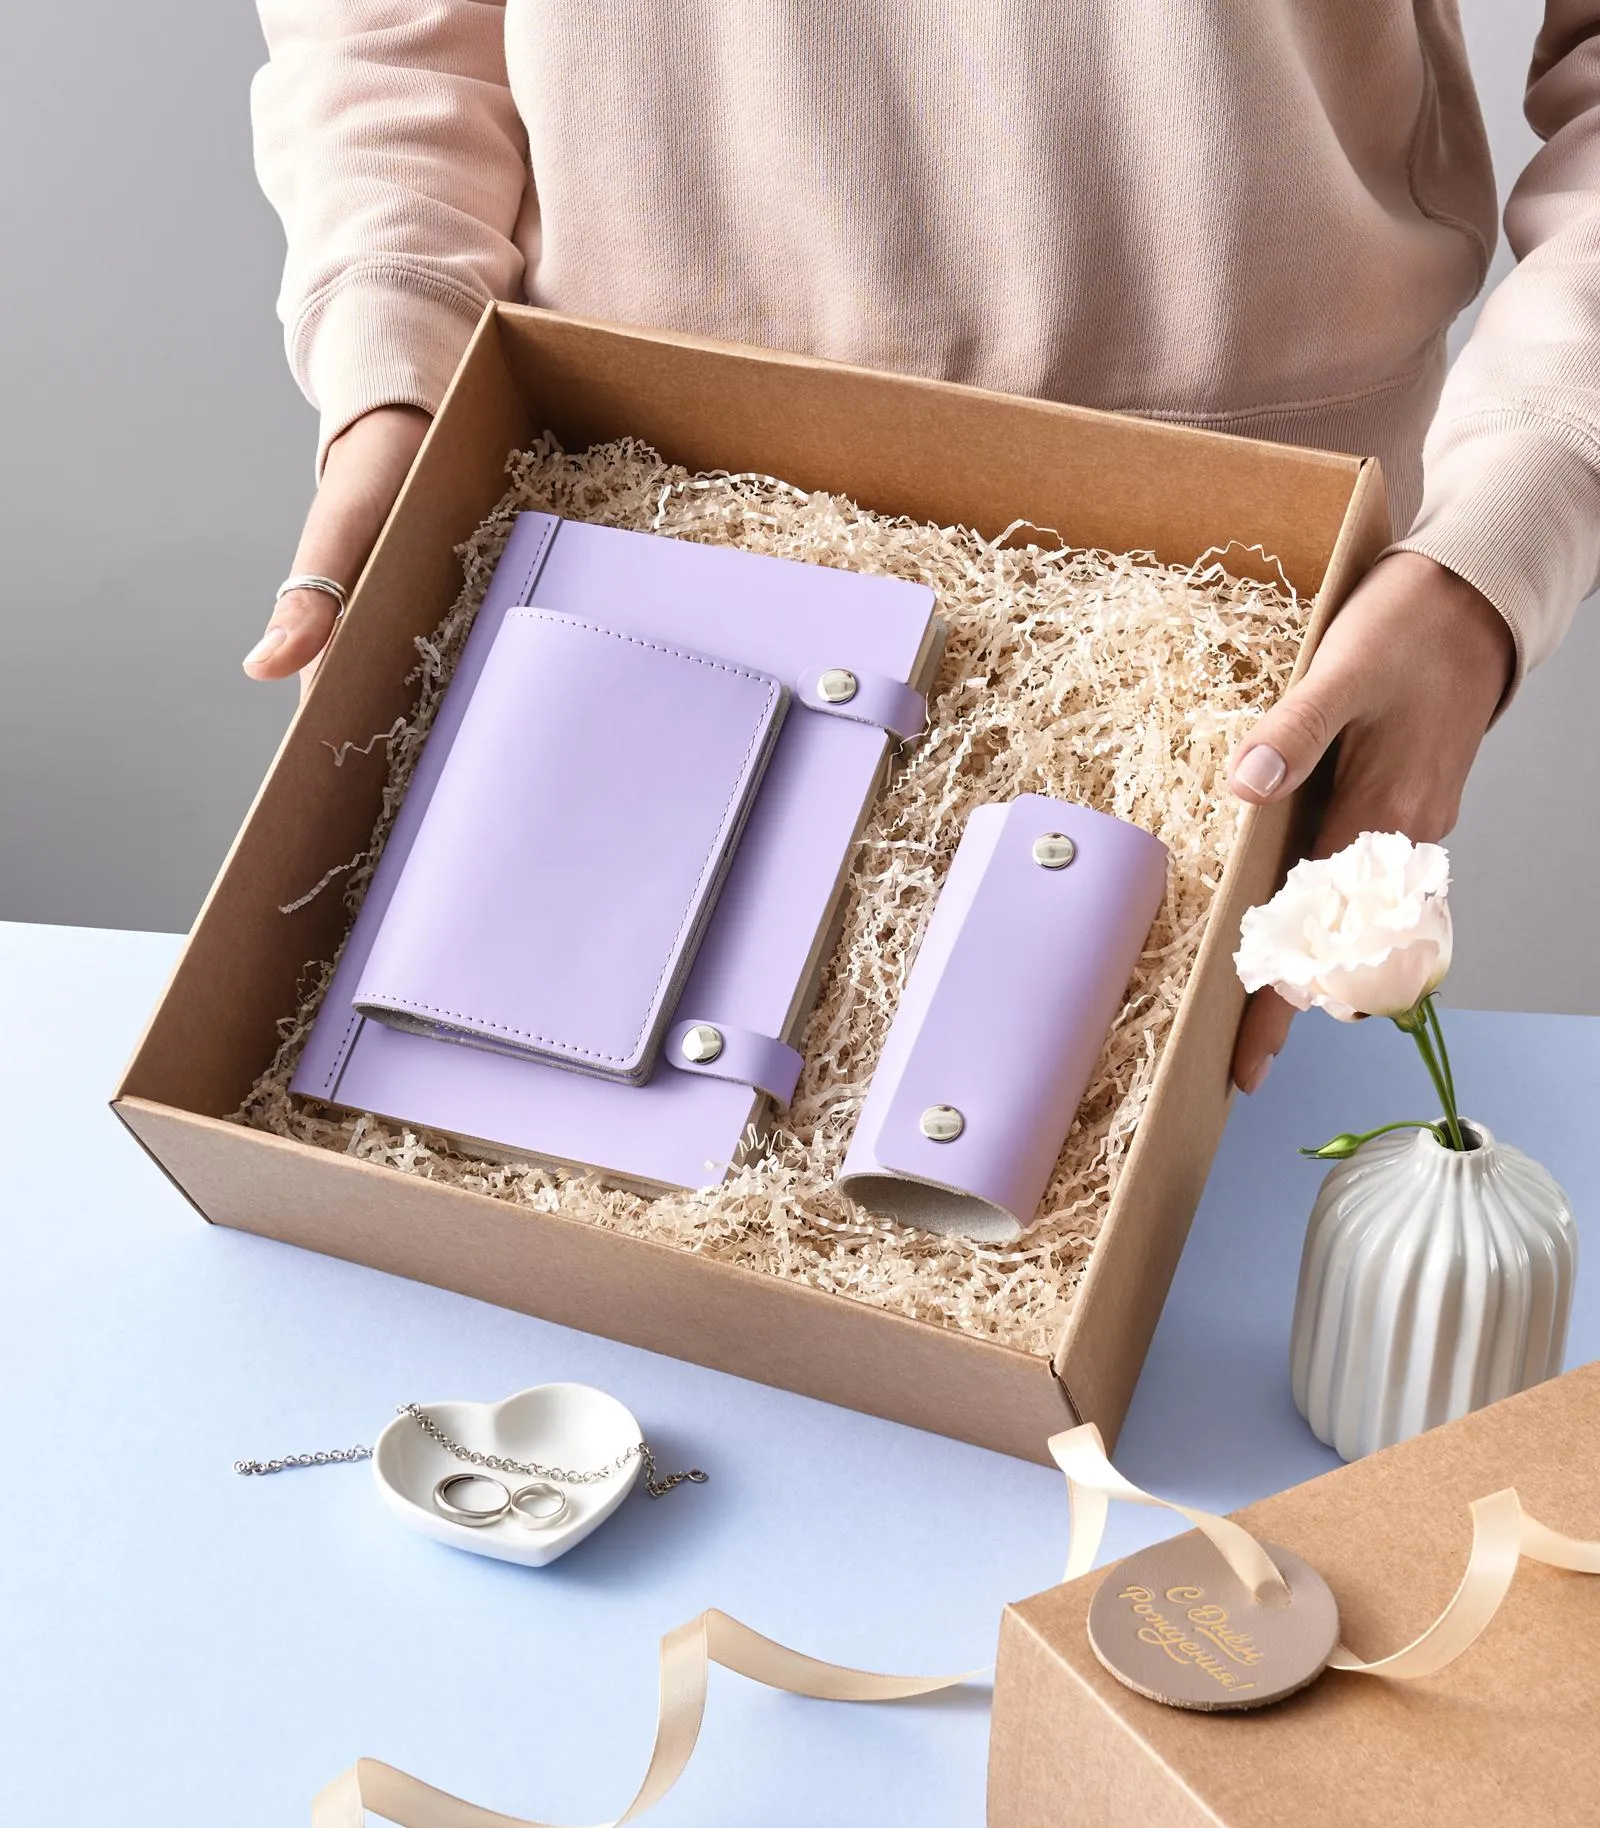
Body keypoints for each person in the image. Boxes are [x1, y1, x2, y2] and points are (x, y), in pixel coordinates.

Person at [243, 4, 1599, 1092]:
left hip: (1236, 581)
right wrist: (395, 368)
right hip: (637, 506)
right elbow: (387, 31)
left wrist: (1504, 540)